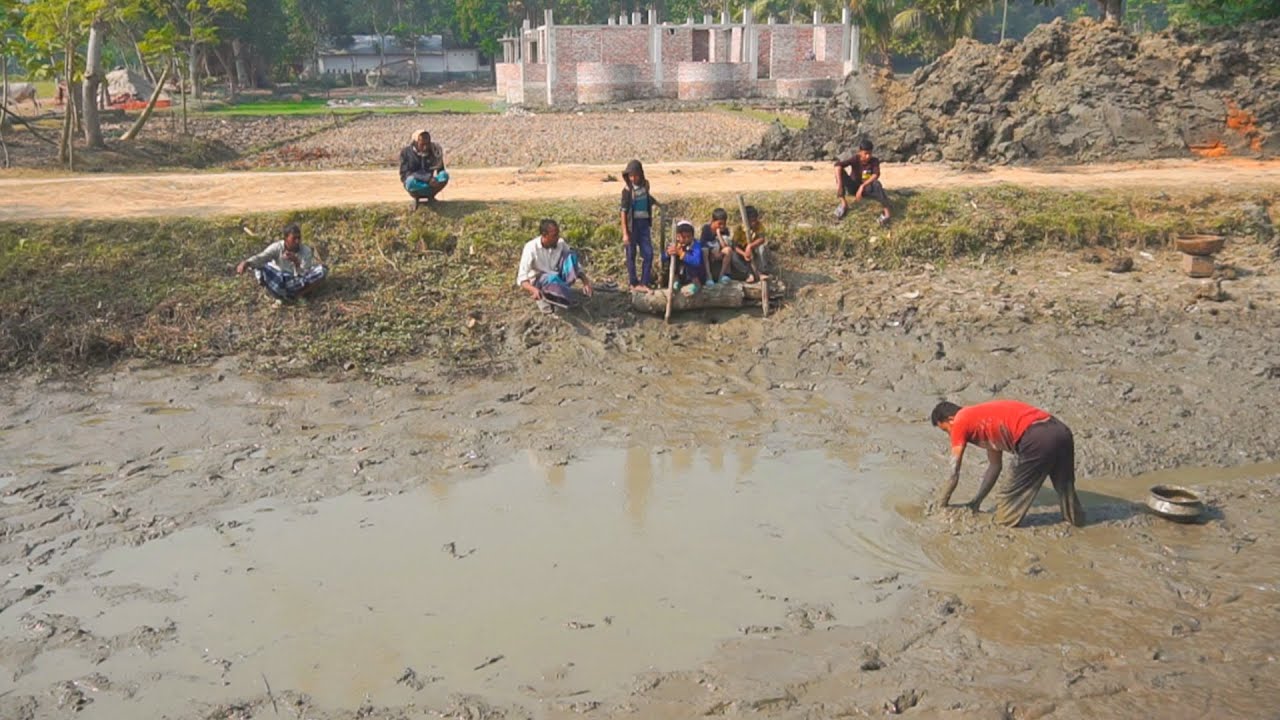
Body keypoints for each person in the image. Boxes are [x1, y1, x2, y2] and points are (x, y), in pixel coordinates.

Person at [929, 400, 1085, 528]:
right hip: (1060, 431)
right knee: (1065, 489)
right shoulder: (981, 419)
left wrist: (941, 505)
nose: (950, 435)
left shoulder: (960, 421)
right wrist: (976, 502)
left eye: (946, 430)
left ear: (950, 419)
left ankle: (1004, 524)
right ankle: (1077, 523)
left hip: (1036, 436)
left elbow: (953, 472)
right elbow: (995, 467)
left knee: (1007, 501)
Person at [517, 218, 594, 314]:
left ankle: (562, 290)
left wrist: (586, 282)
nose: (557, 238)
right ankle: (555, 295)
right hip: (541, 280)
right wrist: (533, 290)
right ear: (544, 235)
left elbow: (574, 264)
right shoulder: (531, 248)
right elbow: (522, 277)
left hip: (557, 277)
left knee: (571, 256)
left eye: (558, 234)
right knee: (552, 278)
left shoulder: (560, 243)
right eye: (554, 236)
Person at [236, 223, 328, 300]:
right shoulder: (277, 247)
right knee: (262, 267)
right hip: (279, 278)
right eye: (294, 238)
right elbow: (262, 256)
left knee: (322, 270)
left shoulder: (305, 251)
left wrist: (296, 262)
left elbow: (304, 275)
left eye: (299, 238)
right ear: (285, 239)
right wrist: (246, 263)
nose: (297, 241)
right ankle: (282, 293)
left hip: (294, 281)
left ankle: (297, 295)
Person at [833, 138, 891, 225]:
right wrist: (840, 186)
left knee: (877, 184)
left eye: (870, 153)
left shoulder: (874, 161)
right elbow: (837, 166)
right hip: (853, 187)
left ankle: (887, 213)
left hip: (867, 188)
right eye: (865, 153)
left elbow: (876, 175)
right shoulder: (855, 159)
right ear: (860, 152)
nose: (868, 156)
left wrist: (862, 186)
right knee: (839, 171)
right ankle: (843, 204)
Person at [620, 159, 657, 293]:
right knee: (631, 254)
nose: (633, 178)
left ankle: (644, 282)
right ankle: (633, 282)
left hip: (644, 224)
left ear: (641, 174)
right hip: (632, 226)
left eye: (636, 175)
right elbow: (623, 212)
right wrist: (625, 233)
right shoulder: (627, 191)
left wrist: (656, 203)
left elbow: (647, 198)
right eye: (631, 176)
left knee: (648, 253)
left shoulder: (646, 185)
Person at [400, 129, 449, 203]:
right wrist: (427, 179)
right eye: (422, 144)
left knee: (444, 175)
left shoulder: (434, 150)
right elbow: (405, 173)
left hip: (432, 183)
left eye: (427, 144)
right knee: (410, 182)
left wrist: (436, 181)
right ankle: (417, 196)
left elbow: (440, 170)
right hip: (417, 185)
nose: (425, 147)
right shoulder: (406, 152)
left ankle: (431, 195)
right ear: (415, 143)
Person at [662, 220, 708, 296]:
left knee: (690, 261)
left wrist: (681, 253)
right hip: (681, 273)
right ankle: (676, 281)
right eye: (683, 237)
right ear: (677, 236)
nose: (686, 239)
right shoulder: (674, 244)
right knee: (671, 259)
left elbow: (696, 261)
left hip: (695, 275)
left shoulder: (696, 245)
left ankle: (696, 284)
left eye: (689, 237)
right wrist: (667, 253)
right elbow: (662, 258)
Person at [729, 205, 768, 283]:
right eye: (752, 221)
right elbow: (734, 245)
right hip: (742, 250)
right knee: (733, 256)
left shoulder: (759, 225)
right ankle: (749, 274)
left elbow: (762, 239)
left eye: (755, 220)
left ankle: (761, 272)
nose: (754, 222)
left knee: (762, 248)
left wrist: (750, 246)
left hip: (754, 248)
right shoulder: (739, 229)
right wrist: (744, 254)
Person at [699, 208, 733, 283]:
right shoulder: (706, 229)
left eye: (724, 224)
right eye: (719, 224)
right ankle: (709, 276)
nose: (722, 226)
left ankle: (722, 275)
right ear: (713, 221)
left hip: (719, 254)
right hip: (709, 254)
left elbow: (725, 247)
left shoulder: (725, 230)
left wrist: (719, 234)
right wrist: (712, 253)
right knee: (704, 251)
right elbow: (702, 243)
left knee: (728, 250)